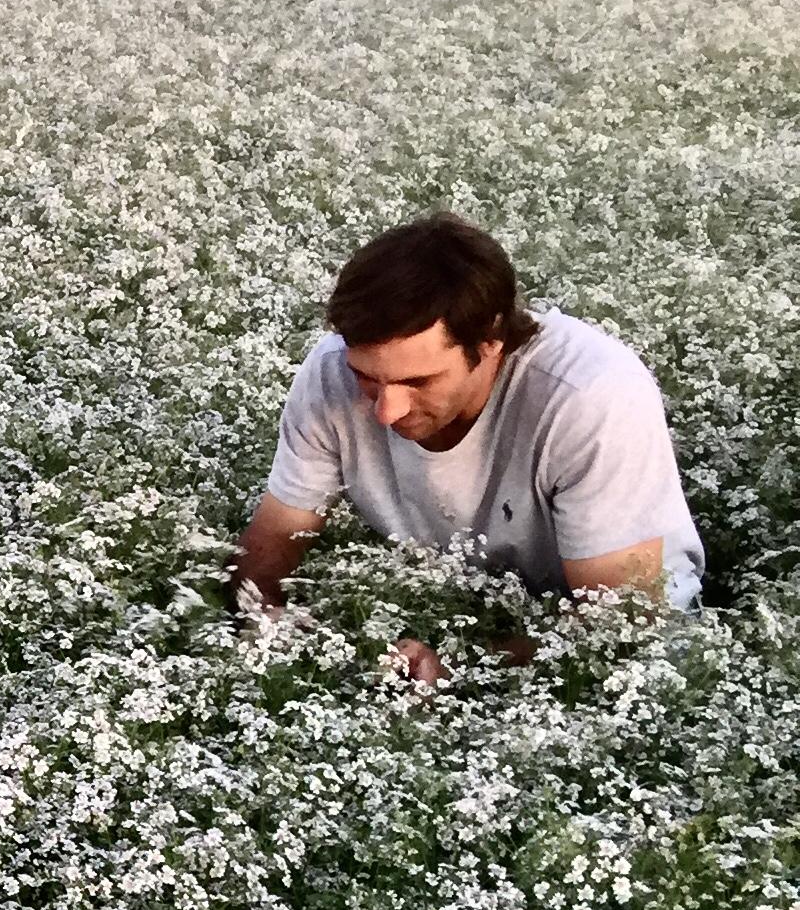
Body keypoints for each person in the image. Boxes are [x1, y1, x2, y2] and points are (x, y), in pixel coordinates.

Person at [229, 214, 704, 678]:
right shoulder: (331, 374)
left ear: (491, 341)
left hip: (628, 665)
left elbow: (620, 623)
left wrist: (460, 666)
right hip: (450, 607)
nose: (386, 410)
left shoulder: (589, 397)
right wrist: (268, 626)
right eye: (367, 378)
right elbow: (275, 539)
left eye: (418, 381)